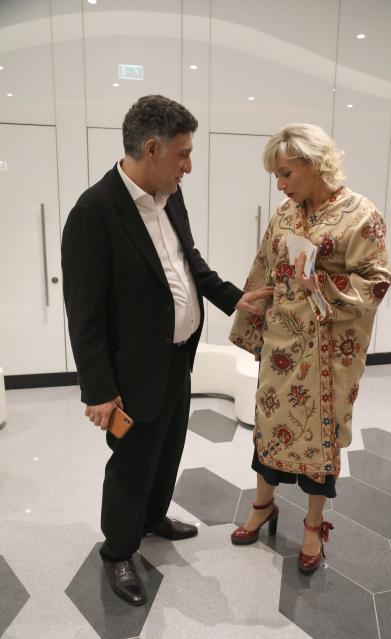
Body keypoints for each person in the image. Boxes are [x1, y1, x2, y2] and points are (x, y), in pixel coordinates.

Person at [61, 94, 273, 606]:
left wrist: (232, 297)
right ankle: (118, 550)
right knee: (132, 462)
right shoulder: (94, 213)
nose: (188, 166)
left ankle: (153, 517)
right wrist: (100, 391)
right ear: (152, 149)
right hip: (131, 370)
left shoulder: (170, 196)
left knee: (169, 448)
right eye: (183, 154)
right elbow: (85, 316)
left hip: (178, 356)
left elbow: (188, 262)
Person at [229, 123, 391, 574]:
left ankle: (314, 525)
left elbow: (377, 282)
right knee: (270, 422)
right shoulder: (284, 214)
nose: (280, 185)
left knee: (323, 434)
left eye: (286, 174)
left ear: (315, 163)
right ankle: (263, 505)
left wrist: (321, 282)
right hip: (281, 344)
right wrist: (252, 328)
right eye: (276, 176)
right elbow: (264, 267)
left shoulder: (362, 215)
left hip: (331, 352)